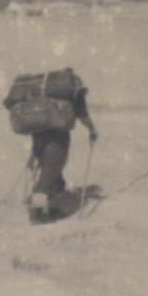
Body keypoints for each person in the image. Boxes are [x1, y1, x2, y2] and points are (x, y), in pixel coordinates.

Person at [27, 78, 98, 222]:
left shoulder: (44, 95)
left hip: (38, 136)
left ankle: (53, 208)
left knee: (53, 173)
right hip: (57, 140)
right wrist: (92, 129)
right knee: (49, 174)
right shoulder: (74, 93)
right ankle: (38, 213)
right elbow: (83, 115)